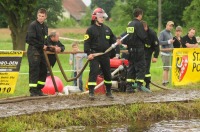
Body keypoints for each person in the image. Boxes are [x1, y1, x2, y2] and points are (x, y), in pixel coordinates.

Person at [84, 7, 120, 100]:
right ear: (95, 17)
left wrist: (117, 42)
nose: (102, 18)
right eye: (100, 16)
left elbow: (114, 41)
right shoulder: (90, 30)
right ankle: (91, 92)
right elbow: (86, 43)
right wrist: (89, 54)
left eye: (103, 17)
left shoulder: (107, 29)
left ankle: (108, 91)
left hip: (105, 55)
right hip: (94, 55)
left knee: (107, 73)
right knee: (93, 72)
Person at [26, 8, 48, 96]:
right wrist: (41, 45)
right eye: (39, 16)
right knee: (34, 70)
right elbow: (30, 39)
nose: (41, 18)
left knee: (43, 69)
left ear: (45, 17)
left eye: (43, 16)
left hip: (41, 51)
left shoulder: (45, 26)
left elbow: (45, 39)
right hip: (33, 50)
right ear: (37, 15)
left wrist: (48, 46)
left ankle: (39, 89)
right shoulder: (33, 25)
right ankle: (33, 90)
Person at [124, 8, 147, 92]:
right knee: (141, 67)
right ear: (140, 15)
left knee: (131, 68)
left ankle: (129, 87)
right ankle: (139, 86)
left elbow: (127, 37)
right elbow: (143, 36)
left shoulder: (130, 25)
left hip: (131, 50)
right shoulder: (139, 24)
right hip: (138, 49)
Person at [142, 21, 160, 89]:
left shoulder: (152, 33)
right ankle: (138, 84)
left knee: (146, 69)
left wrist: (155, 56)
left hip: (148, 52)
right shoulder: (139, 31)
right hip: (140, 52)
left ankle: (147, 84)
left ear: (146, 27)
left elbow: (156, 45)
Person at [158, 21, 174, 86]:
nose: (171, 27)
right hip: (164, 53)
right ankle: (164, 81)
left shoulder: (170, 34)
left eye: (172, 26)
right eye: (169, 26)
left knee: (168, 68)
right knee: (165, 68)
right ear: (166, 25)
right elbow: (159, 42)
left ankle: (166, 81)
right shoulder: (162, 33)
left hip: (170, 53)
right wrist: (168, 42)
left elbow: (170, 43)